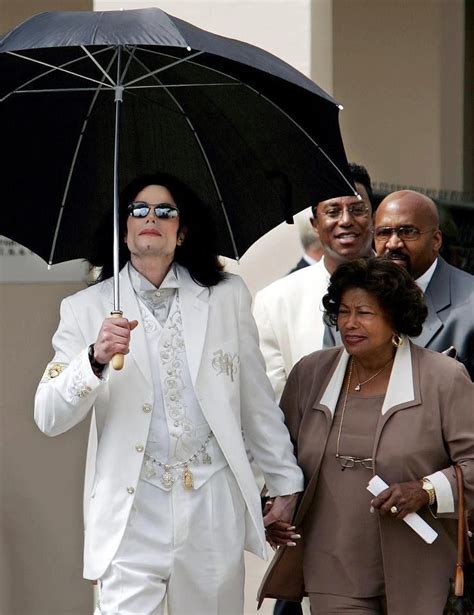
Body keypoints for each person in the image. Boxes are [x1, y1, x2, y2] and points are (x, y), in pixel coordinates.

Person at [34, 172, 303, 615]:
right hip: (131, 509)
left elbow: (255, 400)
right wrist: (95, 358)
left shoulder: (227, 296)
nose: (150, 218)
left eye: (165, 210)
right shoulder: (85, 309)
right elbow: (48, 415)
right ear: (124, 230)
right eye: (138, 210)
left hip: (211, 502)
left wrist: (286, 484)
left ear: (183, 230)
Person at [259, 257, 474, 614]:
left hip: (419, 564)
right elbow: (278, 452)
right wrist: (276, 502)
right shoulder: (311, 374)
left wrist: (426, 488)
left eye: (365, 313)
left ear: (395, 318)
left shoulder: (444, 377)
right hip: (333, 565)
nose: (350, 324)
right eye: (343, 312)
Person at [253, 163, 374, 401]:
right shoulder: (275, 301)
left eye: (358, 209)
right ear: (315, 224)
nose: (346, 220)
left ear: (374, 216)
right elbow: (270, 401)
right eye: (333, 211)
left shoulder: (405, 288)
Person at [373, 190, 474, 379]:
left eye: (407, 232)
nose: (393, 243)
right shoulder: (354, 302)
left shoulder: (470, 305)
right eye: (384, 233)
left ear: (436, 240)